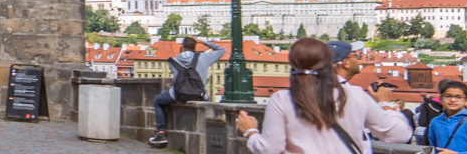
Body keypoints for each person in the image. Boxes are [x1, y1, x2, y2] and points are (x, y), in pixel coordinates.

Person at [237, 39, 416, 154]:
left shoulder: (282, 99)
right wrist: (385, 105)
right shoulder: (355, 94)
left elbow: (270, 149)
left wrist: (251, 132)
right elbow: (399, 135)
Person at [147, 35, 227, 147]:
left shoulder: (173, 61)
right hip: (199, 94)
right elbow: (222, 50)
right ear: (195, 47)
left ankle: (161, 134)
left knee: (158, 101)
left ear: (181, 47)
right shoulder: (204, 57)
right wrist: (203, 42)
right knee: (208, 98)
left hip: (178, 95)